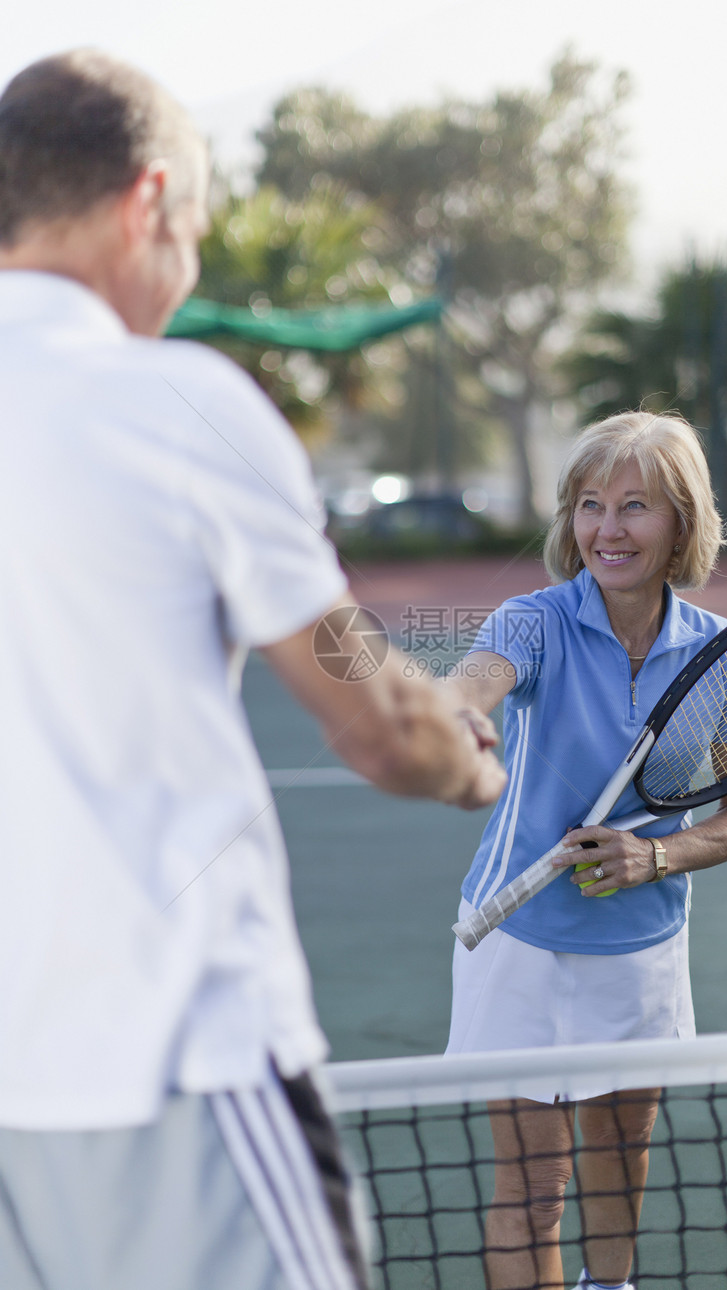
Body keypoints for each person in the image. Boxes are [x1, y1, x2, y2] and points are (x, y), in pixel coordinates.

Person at [0, 49, 506, 1290]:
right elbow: (373, 710)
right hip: (173, 1066)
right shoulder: (181, 403)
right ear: (147, 203)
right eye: (197, 234)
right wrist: (462, 758)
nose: (188, 273)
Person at [444, 411, 727, 1290]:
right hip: (516, 943)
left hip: (642, 953)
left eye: (635, 506)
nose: (607, 529)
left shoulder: (719, 655)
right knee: (534, 1188)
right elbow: (476, 684)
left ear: (681, 525)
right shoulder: (535, 622)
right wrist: (452, 716)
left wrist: (653, 858)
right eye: (590, 504)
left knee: (619, 1169)